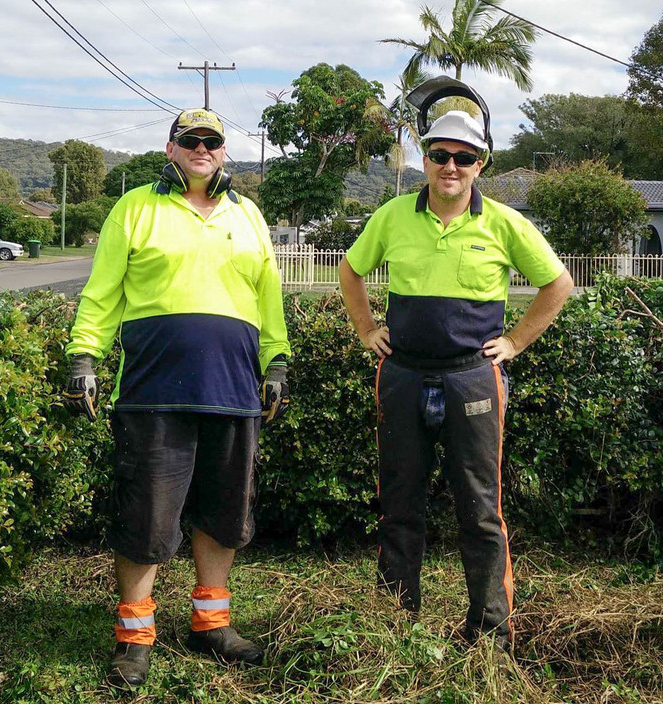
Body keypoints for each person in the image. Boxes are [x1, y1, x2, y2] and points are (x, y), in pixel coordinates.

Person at [62, 108, 291, 686]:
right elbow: (103, 290)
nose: (202, 148)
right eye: (190, 140)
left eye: (212, 141)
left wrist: (277, 361)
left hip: (234, 389)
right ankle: (135, 637)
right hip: (152, 392)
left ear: (222, 151)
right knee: (146, 517)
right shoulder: (135, 207)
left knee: (224, 511)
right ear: (171, 149)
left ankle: (210, 624)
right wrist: (84, 356)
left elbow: (269, 298)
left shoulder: (250, 214)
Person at [338, 107, 573, 652]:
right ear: (424, 159)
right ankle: (396, 626)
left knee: (480, 507)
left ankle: (490, 636)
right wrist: (367, 326)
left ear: (479, 164)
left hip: (473, 380)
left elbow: (556, 284)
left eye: (463, 157)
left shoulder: (505, 223)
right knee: (399, 502)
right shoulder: (393, 216)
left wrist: (514, 341)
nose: (450, 165)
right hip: (401, 375)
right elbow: (350, 272)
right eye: (440, 154)